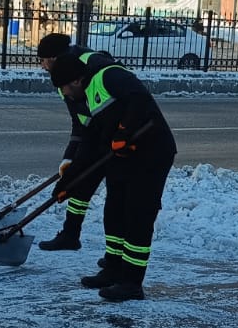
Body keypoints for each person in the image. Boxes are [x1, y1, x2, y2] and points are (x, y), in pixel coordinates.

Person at [48, 53, 177, 302]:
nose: (64, 94)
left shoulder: (110, 76)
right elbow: (89, 144)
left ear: (75, 81)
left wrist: (124, 131)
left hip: (152, 153)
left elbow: (139, 98)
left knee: (137, 216)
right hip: (123, 157)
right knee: (114, 211)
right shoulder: (87, 98)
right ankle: (113, 270)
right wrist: (68, 184)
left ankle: (131, 282)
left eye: (64, 87)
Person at [35, 32, 115, 252]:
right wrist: (69, 157)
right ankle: (70, 235)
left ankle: (115, 258)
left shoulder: (84, 68)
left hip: (115, 137)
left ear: (51, 58)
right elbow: (79, 123)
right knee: (79, 183)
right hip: (94, 134)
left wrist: (81, 158)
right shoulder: (64, 78)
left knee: (116, 201)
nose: (42, 66)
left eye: (42, 60)